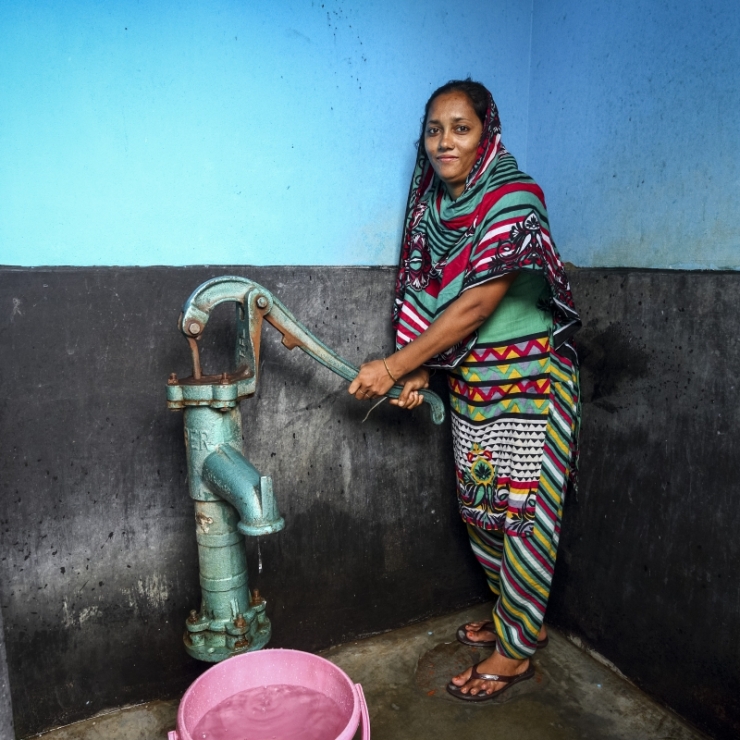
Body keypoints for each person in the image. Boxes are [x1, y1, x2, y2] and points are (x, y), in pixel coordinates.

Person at [348, 79, 580, 702]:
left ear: (487, 133)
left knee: (527, 519)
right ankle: (514, 619)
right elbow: (433, 306)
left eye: (460, 127)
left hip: (532, 381)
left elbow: (476, 304)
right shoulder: (432, 213)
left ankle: (516, 652)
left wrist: (396, 367)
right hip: (474, 384)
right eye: (434, 129)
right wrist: (424, 369)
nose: (444, 141)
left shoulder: (514, 196)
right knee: (483, 512)